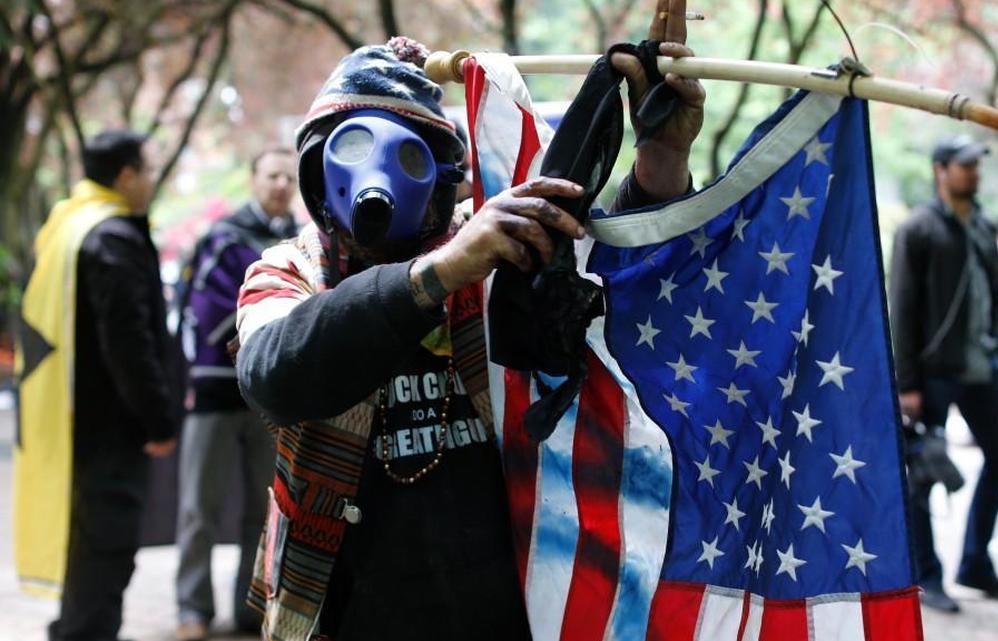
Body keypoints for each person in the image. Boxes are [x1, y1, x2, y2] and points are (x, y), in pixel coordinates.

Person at [233, 7, 704, 640]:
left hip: (510, 603)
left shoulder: (493, 251)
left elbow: (608, 285)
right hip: (351, 610)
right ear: (316, 172)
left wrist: (660, 162)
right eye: (350, 147)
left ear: (446, 178)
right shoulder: (291, 270)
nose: (374, 176)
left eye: (407, 156)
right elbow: (275, 375)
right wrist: (442, 270)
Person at [15, 129, 180, 641]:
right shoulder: (112, 238)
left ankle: (71, 627)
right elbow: (127, 344)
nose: (151, 181)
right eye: (147, 170)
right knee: (105, 555)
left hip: (69, 419)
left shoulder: (67, 225)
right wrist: (159, 418)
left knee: (85, 545)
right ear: (126, 174)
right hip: (109, 429)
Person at [888, 134, 998, 613]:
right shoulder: (919, 229)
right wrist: (907, 386)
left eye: (977, 165)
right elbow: (901, 308)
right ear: (941, 169)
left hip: (981, 367)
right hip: (933, 373)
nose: (974, 173)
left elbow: (997, 289)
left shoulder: (983, 226)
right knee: (922, 472)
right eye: (965, 165)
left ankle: (975, 564)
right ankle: (927, 575)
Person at [174, 147, 299, 641]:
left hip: (267, 395)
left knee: (260, 507)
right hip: (214, 390)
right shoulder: (224, 240)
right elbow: (207, 314)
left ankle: (251, 610)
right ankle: (192, 610)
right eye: (272, 175)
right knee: (198, 509)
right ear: (253, 179)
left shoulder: (298, 242)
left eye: (289, 176)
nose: (281, 184)